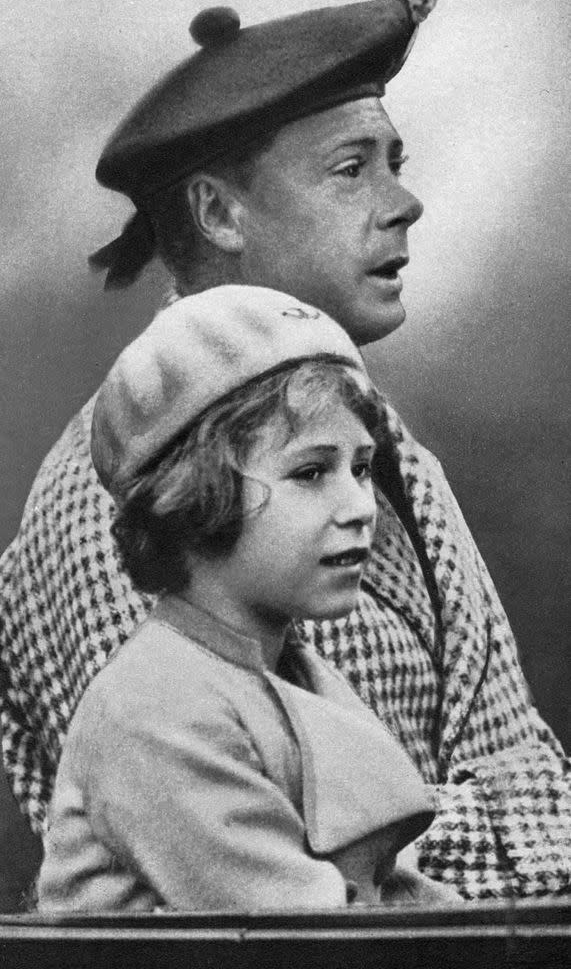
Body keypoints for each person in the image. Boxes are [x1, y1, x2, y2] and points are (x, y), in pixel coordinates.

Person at [1, 0, 570, 901]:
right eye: (352, 169)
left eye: (397, 161)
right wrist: (492, 831)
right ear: (221, 215)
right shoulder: (128, 483)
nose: (405, 202)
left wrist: (462, 823)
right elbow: (259, 847)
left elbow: (524, 765)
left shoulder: (389, 455)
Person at [37, 284, 456, 912]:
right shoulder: (155, 707)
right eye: (312, 472)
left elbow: (389, 897)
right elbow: (303, 940)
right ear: (195, 497)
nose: (361, 506)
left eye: (362, 469)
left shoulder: (293, 674)